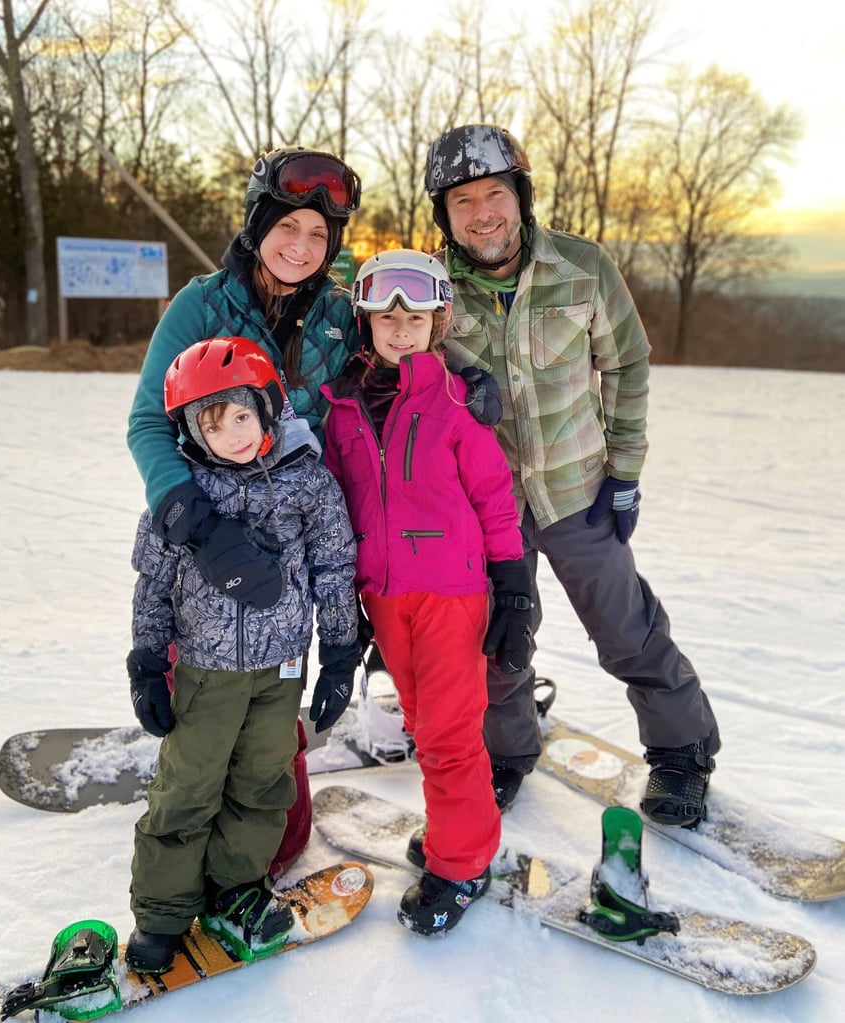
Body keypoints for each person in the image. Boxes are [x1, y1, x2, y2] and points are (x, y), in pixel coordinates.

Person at [423, 124, 720, 828]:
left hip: (577, 491)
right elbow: (401, 366)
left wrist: (625, 472)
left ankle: (682, 751)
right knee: (496, 636)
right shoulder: (430, 288)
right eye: (462, 201)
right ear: (446, 214)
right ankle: (506, 751)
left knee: (626, 626)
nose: (482, 212)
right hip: (486, 503)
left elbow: (626, 364)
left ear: (520, 196)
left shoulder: (581, 267)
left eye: (495, 193)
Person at [127, 147, 364, 873]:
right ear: (259, 223)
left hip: (293, 557)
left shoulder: (337, 314)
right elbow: (146, 423)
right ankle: (181, 824)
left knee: (282, 835)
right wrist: (194, 524)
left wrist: (454, 377)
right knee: (205, 729)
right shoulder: (202, 305)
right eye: (288, 226)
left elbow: (388, 367)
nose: (301, 246)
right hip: (206, 542)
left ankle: (243, 839)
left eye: (319, 236)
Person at [125, 336, 360, 973]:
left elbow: (335, 568)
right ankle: (164, 910)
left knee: (262, 785)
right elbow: (154, 582)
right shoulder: (183, 499)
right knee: (187, 788)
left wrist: (340, 651)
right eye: (210, 421)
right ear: (189, 431)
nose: (229, 433)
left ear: (267, 408)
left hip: (282, 670)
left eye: (240, 415)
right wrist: (147, 660)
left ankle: (236, 889)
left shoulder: (307, 484)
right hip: (203, 672)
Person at [321, 250, 534, 935]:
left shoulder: (456, 401)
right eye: (388, 316)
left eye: (416, 316)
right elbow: (338, 504)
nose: (402, 328)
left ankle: (463, 861)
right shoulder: (342, 408)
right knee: (422, 725)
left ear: (439, 322)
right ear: (366, 322)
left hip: (450, 593)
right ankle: (456, 832)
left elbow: (495, 497)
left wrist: (513, 581)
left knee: (448, 734)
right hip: (383, 594)